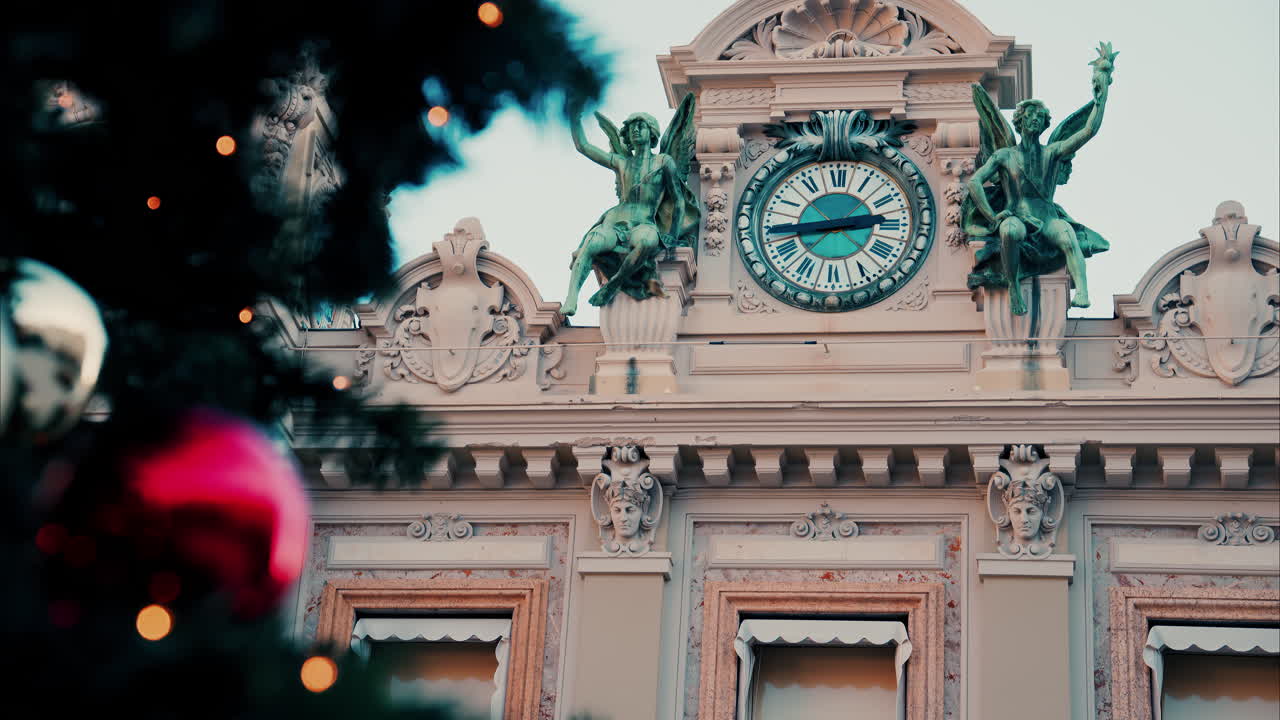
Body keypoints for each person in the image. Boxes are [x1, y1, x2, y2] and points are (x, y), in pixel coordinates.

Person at [964, 42, 1118, 315]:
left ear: (1046, 123)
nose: (1034, 119)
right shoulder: (1004, 155)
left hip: (1047, 220)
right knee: (1009, 232)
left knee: (1067, 234)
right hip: (1016, 216)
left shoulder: (1052, 152)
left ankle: (1082, 291)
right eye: (1029, 116)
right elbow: (975, 182)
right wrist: (992, 216)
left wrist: (1100, 97)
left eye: (1040, 116)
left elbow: (1088, 131)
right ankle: (1013, 286)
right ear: (1020, 122)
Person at [562, 95, 698, 316]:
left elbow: (678, 200)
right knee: (591, 244)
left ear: (652, 133)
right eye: (632, 127)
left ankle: (615, 283)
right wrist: (574, 118)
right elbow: (583, 147)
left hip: (644, 223)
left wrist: (672, 235)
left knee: (646, 242)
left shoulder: (663, 161)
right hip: (615, 222)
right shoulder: (622, 162)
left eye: (641, 126)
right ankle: (571, 298)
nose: (635, 130)